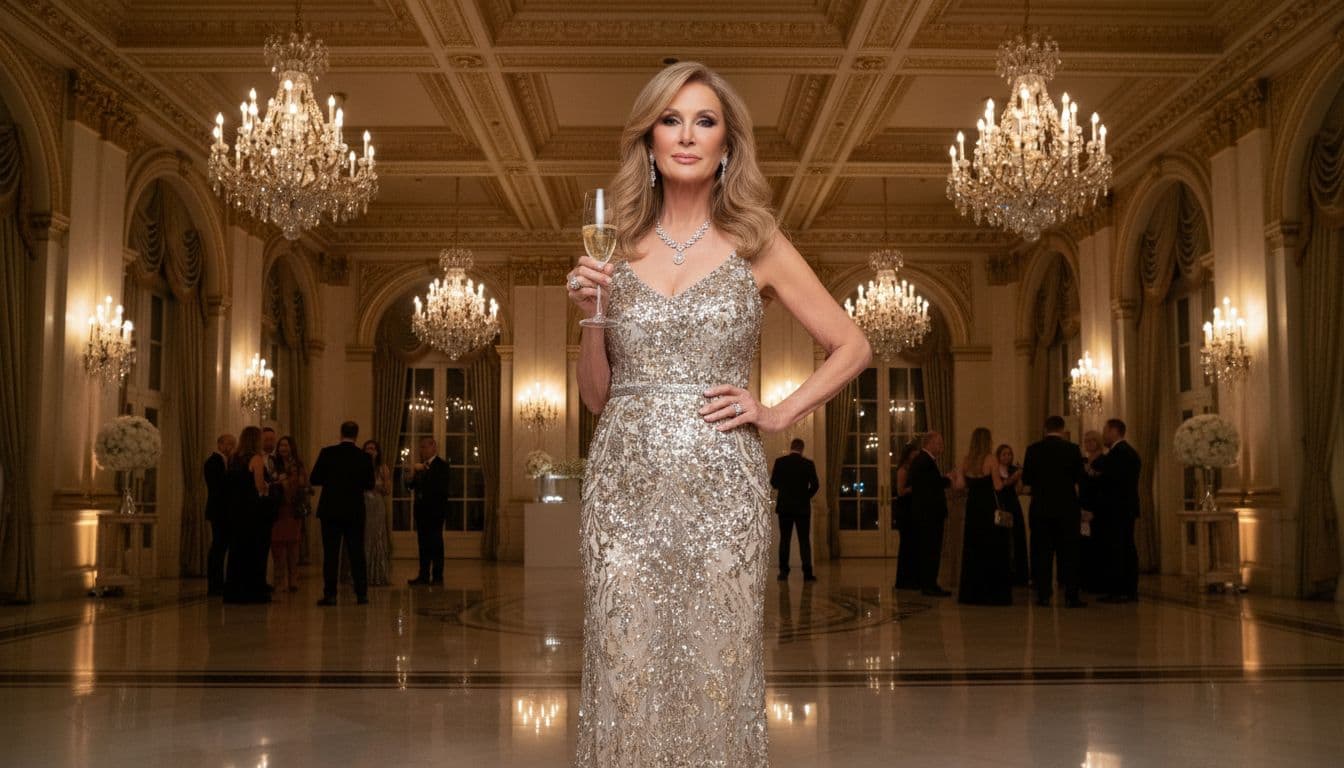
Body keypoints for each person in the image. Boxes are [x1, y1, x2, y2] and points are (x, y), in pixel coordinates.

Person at [565, 61, 870, 765]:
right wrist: (591, 316)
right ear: (648, 140)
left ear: (727, 144)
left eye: (705, 121)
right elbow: (595, 397)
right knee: (625, 660)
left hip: (722, 487)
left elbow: (852, 343)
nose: (686, 135)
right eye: (670, 120)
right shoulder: (612, 250)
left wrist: (775, 410)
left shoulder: (756, 241)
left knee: (717, 664)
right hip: (624, 490)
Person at [1022, 415, 1086, 607]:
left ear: (1045, 429)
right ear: (1062, 429)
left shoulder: (1033, 450)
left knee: (1042, 552)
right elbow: (1080, 478)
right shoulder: (1072, 449)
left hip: (1041, 508)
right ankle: (1071, 595)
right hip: (1067, 508)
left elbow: (1027, 479)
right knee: (1069, 553)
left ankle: (1043, 594)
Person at [309, 421, 374, 606]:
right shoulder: (363, 457)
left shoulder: (327, 453)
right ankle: (361, 593)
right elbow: (369, 484)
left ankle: (330, 594)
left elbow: (314, 478)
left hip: (331, 510)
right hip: (354, 510)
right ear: (356, 435)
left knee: (331, 553)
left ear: (341, 433)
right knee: (356, 552)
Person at [957, 428, 1014, 605]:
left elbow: (960, 485)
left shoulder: (966, 460)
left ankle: (973, 593)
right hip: (988, 508)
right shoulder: (991, 459)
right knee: (992, 548)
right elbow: (997, 487)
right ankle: (993, 593)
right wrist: (1009, 480)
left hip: (973, 508)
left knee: (974, 548)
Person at [906, 431, 961, 597]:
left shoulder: (923, 460)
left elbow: (927, 483)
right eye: (939, 443)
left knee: (930, 549)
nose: (942, 446)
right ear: (930, 443)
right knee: (931, 549)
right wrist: (949, 479)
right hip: (929, 513)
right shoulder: (925, 460)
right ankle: (929, 584)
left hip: (926, 512)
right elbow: (930, 485)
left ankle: (929, 583)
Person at [222, 426, 271, 604]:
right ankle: (252, 590)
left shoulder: (233, 458)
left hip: (235, 510)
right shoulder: (256, 458)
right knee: (253, 550)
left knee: (237, 550)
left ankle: (234, 589)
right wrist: (269, 487)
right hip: (251, 511)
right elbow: (259, 486)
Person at [1096, 418, 1141, 602]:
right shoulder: (1129, 452)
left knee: (1118, 548)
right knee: (1126, 547)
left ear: (1114, 431)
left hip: (1117, 509)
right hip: (1125, 508)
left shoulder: (1119, 454)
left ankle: (1119, 590)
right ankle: (1127, 590)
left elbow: (1111, 482)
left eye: (1105, 431)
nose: (1103, 435)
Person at [771, 438, 820, 582]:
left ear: (791, 447)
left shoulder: (780, 462)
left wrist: (785, 489)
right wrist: (806, 496)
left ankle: (783, 572)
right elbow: (816, 485)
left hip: (784, 507)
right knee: (804, 541)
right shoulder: (808, 464)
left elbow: (773, 483)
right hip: (802, 508)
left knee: (784, 540)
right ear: (802, 449)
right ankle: (807, 573)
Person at [404, 436, 449, 586]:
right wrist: (410, 477)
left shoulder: (442, 466)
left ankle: (437, 576)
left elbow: (441, 488)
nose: (422, 450)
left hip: (435, 512)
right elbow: (411, 487)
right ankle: (423, 575)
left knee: (436, 543)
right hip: (421, 512)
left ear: (433, 447)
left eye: (424, 447)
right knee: (422, 544)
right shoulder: (420, 467)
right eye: (421, 447)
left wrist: (424, 471)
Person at [269, 436, 308, 594]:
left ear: (292, 447)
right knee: (277, 544)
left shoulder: (298, 464)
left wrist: (285, 481)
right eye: (281, 445)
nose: (283, 448)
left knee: (293, 544)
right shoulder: (273, 463)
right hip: (278, 508)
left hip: (293, 508)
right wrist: (282, 481)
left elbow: (303, 483)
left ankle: (293, 579)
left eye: (286, 445)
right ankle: (280, 580)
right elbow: (271, 481)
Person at [204, 433, 235, 596]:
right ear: (219, 444)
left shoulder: (226, 462)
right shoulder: (213, 462)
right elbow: (218, 487)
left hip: (224, 511)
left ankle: (221, 582)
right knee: (218, 547)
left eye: (233, 444)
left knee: (222, 547)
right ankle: (215, 583)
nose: (231, 447)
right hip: (218, 511)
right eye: (228, 444)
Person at [994, 444, 1028, 586]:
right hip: (1001, 505)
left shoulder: (1015, 470)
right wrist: (1014, 477)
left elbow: (1019, 491)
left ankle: (1019, 574)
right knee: (1003, 539)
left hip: (1013, 505)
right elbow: (1000, 487)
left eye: (1009, 454)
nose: (1007, 457)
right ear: (999, 456)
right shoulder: (994, 470)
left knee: (1017, 538)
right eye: (1004, 454)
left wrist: (1019, 478)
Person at [1078, 430, 1106, 593]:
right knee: (1084, 543)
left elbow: (1102, 487)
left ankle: (1097, 581)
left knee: (1097, 544)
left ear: (1098, 442)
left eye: (1091, 441)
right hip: (1083, 505)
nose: (1088, 444)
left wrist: (1093, 510)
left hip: (1096, 509)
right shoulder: (1083, 461)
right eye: (1086, 441)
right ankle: (1085, 580)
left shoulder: (1103, 461)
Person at [363, 439, 393, 587]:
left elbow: (387, 490)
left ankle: (378, 574)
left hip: (376, 504)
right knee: (364, 536)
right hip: (363, 504)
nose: (370, 451)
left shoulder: (383, 468)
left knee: (377, 536)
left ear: (377, 452)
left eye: (373, 448)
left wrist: (375, 485)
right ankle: (363, 574)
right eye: (367, 448)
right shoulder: (359, 467)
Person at [892, 440, 921, 590]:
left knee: (912, 546)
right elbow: (900, 491)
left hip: (912, 508)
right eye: (914, 452)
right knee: (906, 546)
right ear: (908, 455)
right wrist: (916, 487)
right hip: (905, 509)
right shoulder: (903, 470)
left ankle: (913, 578)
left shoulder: (914, 468)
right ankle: (903, 580)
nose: (917, 455)